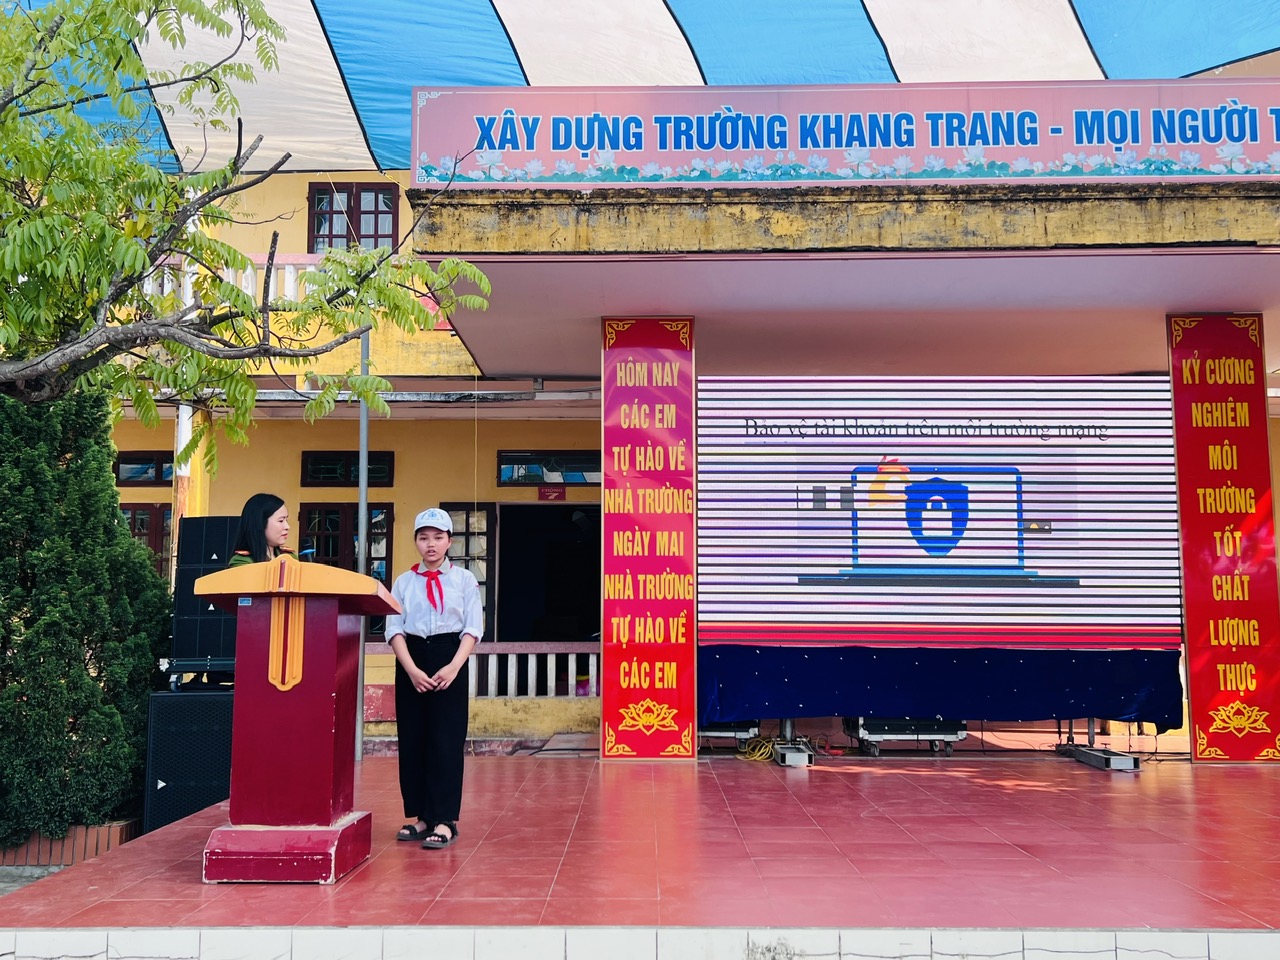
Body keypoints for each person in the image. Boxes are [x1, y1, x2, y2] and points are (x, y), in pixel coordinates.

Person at [385, 507, 482, 850]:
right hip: (411, 658)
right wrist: (411, 670)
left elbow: (472, 628)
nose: (431, 544)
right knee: (413, 739)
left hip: (449, 656)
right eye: (424, 537)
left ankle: (445, 820)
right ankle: (422, 817)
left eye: (438, 537)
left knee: (446, 739)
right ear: (415, 541)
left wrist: (454, 666)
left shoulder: (465, 580)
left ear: (449, 542)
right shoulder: (403, 582)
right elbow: (394, 629)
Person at [228, 493, 292, 565]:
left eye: (286, 520)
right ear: (260, 523)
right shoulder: (242, 561)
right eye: (281, 521)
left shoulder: (291, 558)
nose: (287, 526)